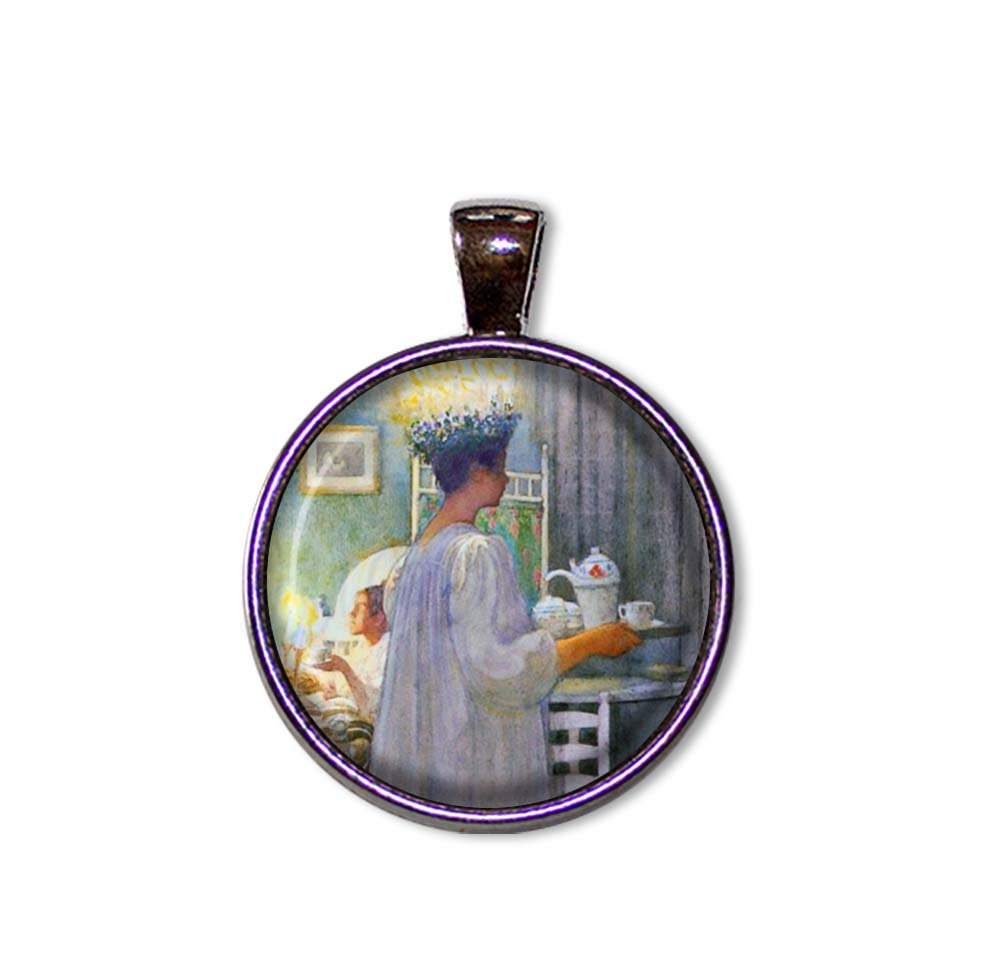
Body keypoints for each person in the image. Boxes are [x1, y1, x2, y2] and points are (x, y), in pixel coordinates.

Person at [368, 400, 641, 808]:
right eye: (500, 468)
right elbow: (499, 668)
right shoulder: (475, 552)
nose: (507, 478)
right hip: (469, 749)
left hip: (425, 748)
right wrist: (592, 642)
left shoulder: (414, 560)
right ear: (477, 474)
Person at [313, 585, 389, 721]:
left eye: (359, 608)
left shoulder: (388, 651)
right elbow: (355, 691)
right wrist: (335, 692)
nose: (351, 613)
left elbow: (372, 707)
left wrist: (345, 670)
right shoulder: (363, 646)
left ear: (378, 618)